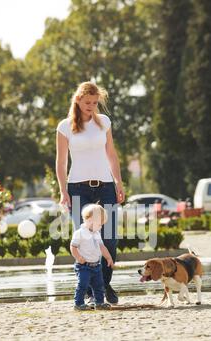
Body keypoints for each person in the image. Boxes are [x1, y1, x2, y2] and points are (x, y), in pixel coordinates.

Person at [56, 81, 125, 304]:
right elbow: (61, 161)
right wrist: (62, 190)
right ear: (77, 100)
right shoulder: (65, 126)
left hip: (105, 185)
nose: (91, 106)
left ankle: (103, 284)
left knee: (110, 238)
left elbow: (112, 154)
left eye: (95, 103)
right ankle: (88, 288)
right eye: (87, 102)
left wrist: (119, 182)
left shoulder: (104, 122)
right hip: (77, 187)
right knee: (84, 237)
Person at [70, 204, 114, 311]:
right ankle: (78, 303)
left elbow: (102, 247)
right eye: (99, 224)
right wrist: (78, 257)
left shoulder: (96, 233)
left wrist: (108, 257)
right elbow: (73, 247)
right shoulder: (79, 233)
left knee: (99, 285)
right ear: (90, 220)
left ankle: (99, 302)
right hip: (83, 266)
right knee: (83, 285)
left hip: (96, 266)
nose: (101, 227)